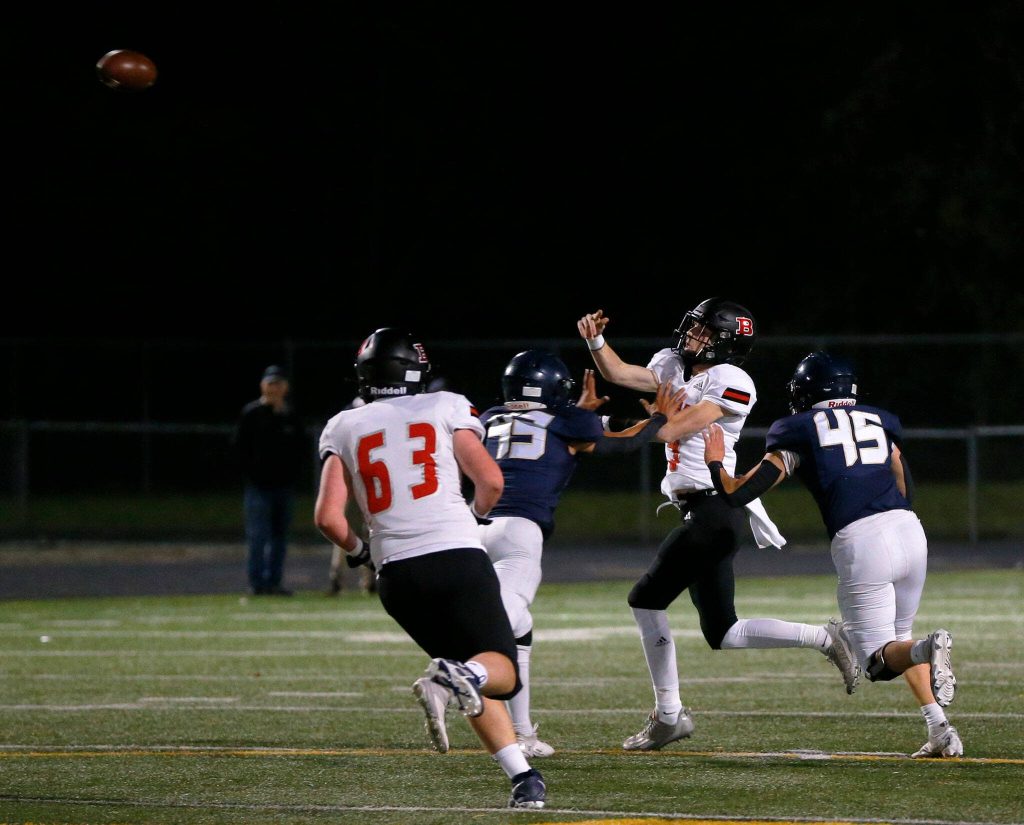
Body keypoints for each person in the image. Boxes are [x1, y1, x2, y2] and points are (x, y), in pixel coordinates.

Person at [577, 299, 860, 752]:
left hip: (715, 509)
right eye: (694, 328)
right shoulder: (673, 364)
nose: (691, 336)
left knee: (645, 598)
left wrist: (628, 425)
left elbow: (670, 430)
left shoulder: (733, 382)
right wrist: (595, 340)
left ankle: (668, 715)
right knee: (723, 632)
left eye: (704, 332)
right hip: (703, 514)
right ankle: (824, 637)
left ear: (725, 343)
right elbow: (619, 373)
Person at [314, 327, 547, 809]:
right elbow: (491, 482)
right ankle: (447, 681)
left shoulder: (344, 424)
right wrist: (474, 519)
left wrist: (361, 553)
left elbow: (327, 518)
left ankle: (523, 779)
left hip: (396, 577)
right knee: (499, 673)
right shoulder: (445, 405)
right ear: (415, 370)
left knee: (468, 670)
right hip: (454, 556)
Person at [701, 350, 961, 758]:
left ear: (808, 391)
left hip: (862, 541)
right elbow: (902, 478)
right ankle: (939, 727)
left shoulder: (797, 430)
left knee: (878, 662)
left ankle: (933, 647)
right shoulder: (879, 419)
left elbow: (738, 494)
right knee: (900, 639)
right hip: (910, 531)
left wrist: (715, 463)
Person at [478, 350, 678, 758]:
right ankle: (458, 674)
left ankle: (521, 733)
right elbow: (621, 443)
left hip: (472, 528)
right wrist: (658, 418)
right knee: (500, 621)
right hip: (520, 530)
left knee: (520, 628)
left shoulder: (487, 418)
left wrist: (580, 414)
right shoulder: (569, 420)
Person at [233, 364, 305, 596]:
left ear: (286, 387)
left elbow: (300, 449)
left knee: (279, 538)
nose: (274, 388)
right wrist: (251, 474)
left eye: (278, 383)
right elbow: (239, 449)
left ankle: (274, 582)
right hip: (259, 487)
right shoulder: (252, 413)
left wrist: (293, 475)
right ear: (263, 386)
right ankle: (257, 583)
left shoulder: (290, 415)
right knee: (258, 537)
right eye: (270, 383)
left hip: (283, 486)